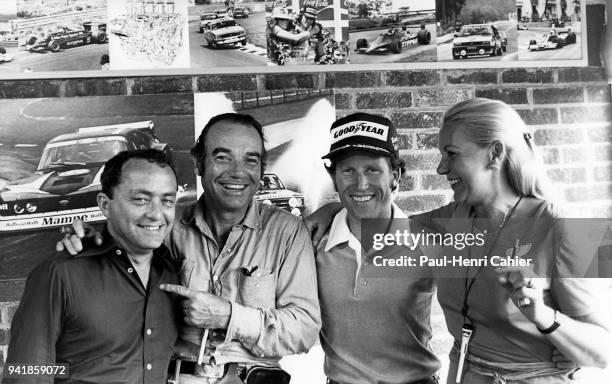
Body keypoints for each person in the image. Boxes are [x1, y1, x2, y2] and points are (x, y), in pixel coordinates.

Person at [308, 98, 612, 383]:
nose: (441, 168)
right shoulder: (456, 216)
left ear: (495, 153)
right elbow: (379, 217)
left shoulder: (570, 226)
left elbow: (603, 351)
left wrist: (546, 318)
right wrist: (330, 209)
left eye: (451, 154)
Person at [58, 113, 321, 383]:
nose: (238, 171)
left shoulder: (287, 232)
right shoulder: (166, 227)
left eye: (250, 160)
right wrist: (95, 241)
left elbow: (304, 330)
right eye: (222, 157)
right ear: (198, 164)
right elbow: (118, 275)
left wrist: (228, 316)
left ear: (261, 169)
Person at [5, 149, 182, 383]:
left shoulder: (172, 275)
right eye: (141, 199)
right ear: (105, 205)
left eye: (167, 201)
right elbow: (26, 372)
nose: (156, 214)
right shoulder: (60, 274)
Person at [317, 112, 440, 384]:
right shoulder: (312, 241)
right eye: (348, 171)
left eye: (372, 169)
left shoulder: (427, 242)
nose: (360, 184)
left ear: (395, 175)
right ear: (335, 178)